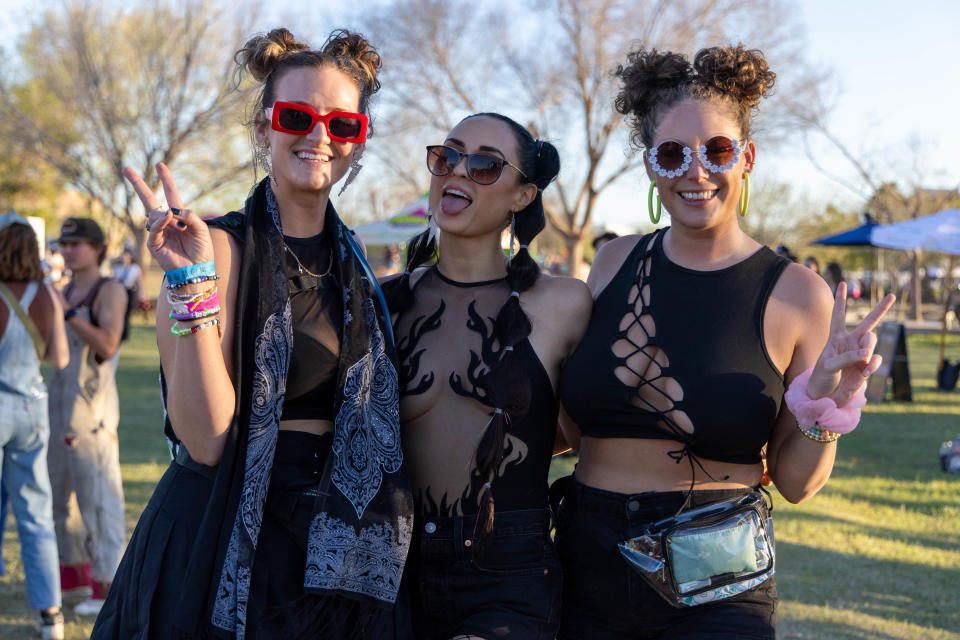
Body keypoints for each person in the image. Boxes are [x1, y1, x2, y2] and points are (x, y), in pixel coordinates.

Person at [554, 44, 895, 639]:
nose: (696, 170)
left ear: (747, 158)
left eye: (716, 149)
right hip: (585, 564)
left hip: (716, 580)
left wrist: (823, 404)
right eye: (671, 153)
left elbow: (796, 483)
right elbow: (567, 428)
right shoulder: (611, 261)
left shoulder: (798, 296)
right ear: (651, 166)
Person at [92, 28, 412, 639]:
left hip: (327, 553)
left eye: (343, 125)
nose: (320, 136)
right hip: (224, 541)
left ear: (357, 143)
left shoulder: (360, 272)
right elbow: (206, 439)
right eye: (298, 116)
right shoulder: (216, 252)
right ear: (265, 130)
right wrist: (190, 283)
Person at [383, 114, 591, 639]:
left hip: (508, 568)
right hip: (387, 565)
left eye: (484, 165)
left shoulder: (563, 304)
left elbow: (584, 430)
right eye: (448, 156)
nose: (457, 172)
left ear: (522, 196)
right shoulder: (382, 301)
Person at [46, 216, 127, 618]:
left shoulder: (109, 289)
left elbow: (109, 344)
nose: (69, 250)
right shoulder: (63, 290)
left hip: (92, 414)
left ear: (98, 247)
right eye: (64, 244)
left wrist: (68, 313)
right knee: (61, 505)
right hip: (57, 410)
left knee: (99, 502)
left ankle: (109, 584)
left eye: (77, 244)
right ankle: (76, 580)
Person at [0, 212, 70, 638]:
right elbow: (59, 359)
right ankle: (50, 616)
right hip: (32, 408)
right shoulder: (46, 295)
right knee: (36, 513)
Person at [111, 246, 146, 341]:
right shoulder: (117, 268)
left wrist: (142, 297)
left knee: (126, 314)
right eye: (123, 255)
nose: (124, 257)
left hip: (129, 292)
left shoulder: (135, 268)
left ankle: (124, 335)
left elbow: (140, 283)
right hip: (118, 292)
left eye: (127, 255)